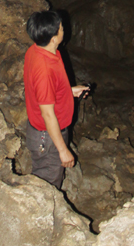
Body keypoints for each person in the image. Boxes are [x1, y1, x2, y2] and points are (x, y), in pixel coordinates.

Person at [23, 10, 89, 188]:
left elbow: (44, 90)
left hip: (46, 132)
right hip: (47, 137)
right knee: (47, 185)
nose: (63, 29)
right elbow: (48, 114)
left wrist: (68, 91)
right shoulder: (44, 69)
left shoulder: (36, 50)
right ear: (53, 38)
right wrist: (63, 150)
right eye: (60, 28)